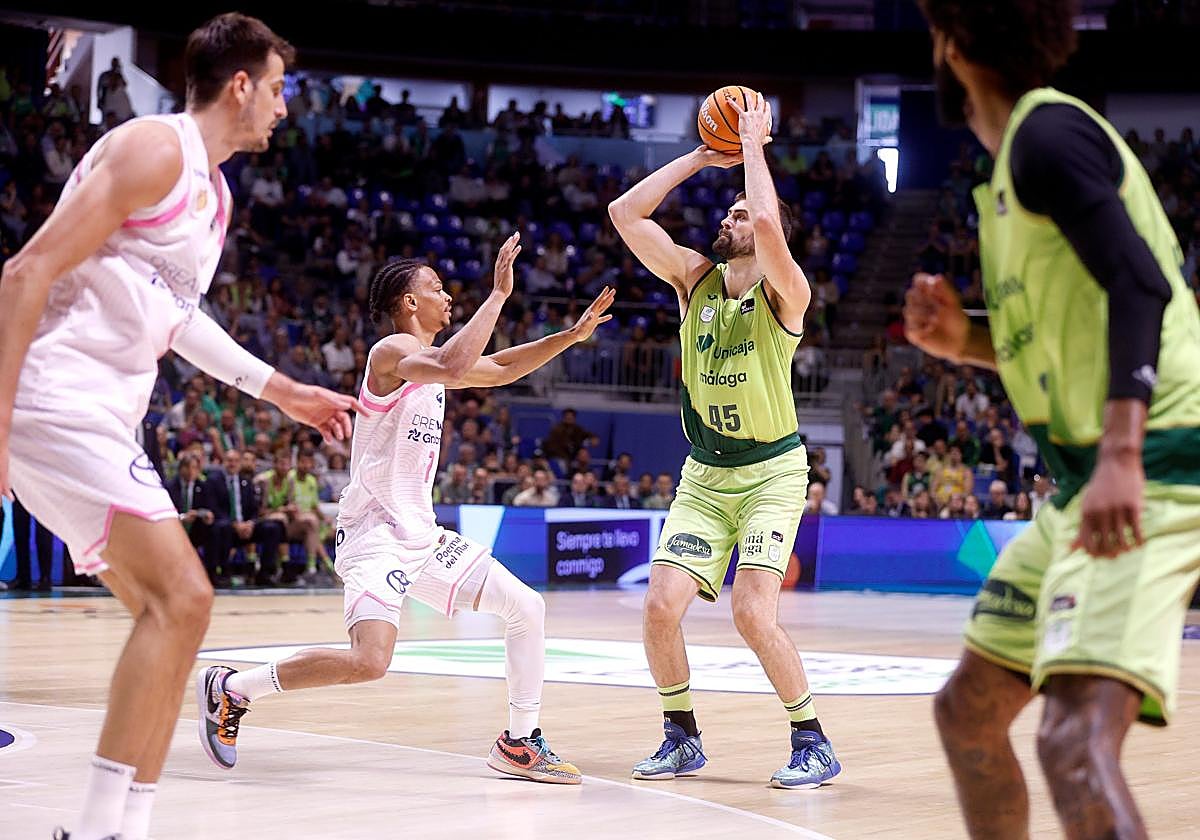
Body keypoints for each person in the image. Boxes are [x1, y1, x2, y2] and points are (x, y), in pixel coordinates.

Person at [0, 15, 357, 840]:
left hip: (105, 414)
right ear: (239, 85)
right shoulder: (154, 150)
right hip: (58, 396)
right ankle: (97, 831)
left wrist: (282, 391)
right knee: (185, 597)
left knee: (177, 613)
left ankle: (123, 825)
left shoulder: (215, 193)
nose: (281, 106)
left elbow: (176, 319)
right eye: (275, 88)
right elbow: (26, 271)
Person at [908, 3, 1200, 837]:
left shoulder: (1046, 136)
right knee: (967, 714)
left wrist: (1122, 453)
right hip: (1082, 482)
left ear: (956, 46)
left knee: (1072, 743)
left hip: (1164, 463)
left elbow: (1140, 285)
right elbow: (1061, 342)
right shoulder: (1010, 176)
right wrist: (963, 340)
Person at [197, 240, 616, 786]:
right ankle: (232, 690)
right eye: (436, 288)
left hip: (421, 534)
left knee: (526, 608)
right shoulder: (390, 353)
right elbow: (454, 361)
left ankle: (519, 742)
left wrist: (569, 337)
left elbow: (500, 367)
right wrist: (498, 294)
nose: (447, 296)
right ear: (408, 303)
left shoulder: (432, 367)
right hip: (375, 535)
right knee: (369, 662)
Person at [609, 93, 841, 789]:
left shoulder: (786, 291)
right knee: (658, 608)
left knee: (750, 612)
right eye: (728, 209)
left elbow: (768, 218)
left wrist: (752, 149)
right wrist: (702, 156)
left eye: (737, 212)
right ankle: (681, 735)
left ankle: (813, 740)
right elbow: (626, 214)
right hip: (705, 476)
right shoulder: (693, 279)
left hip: (771, 473)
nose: (728, 216)